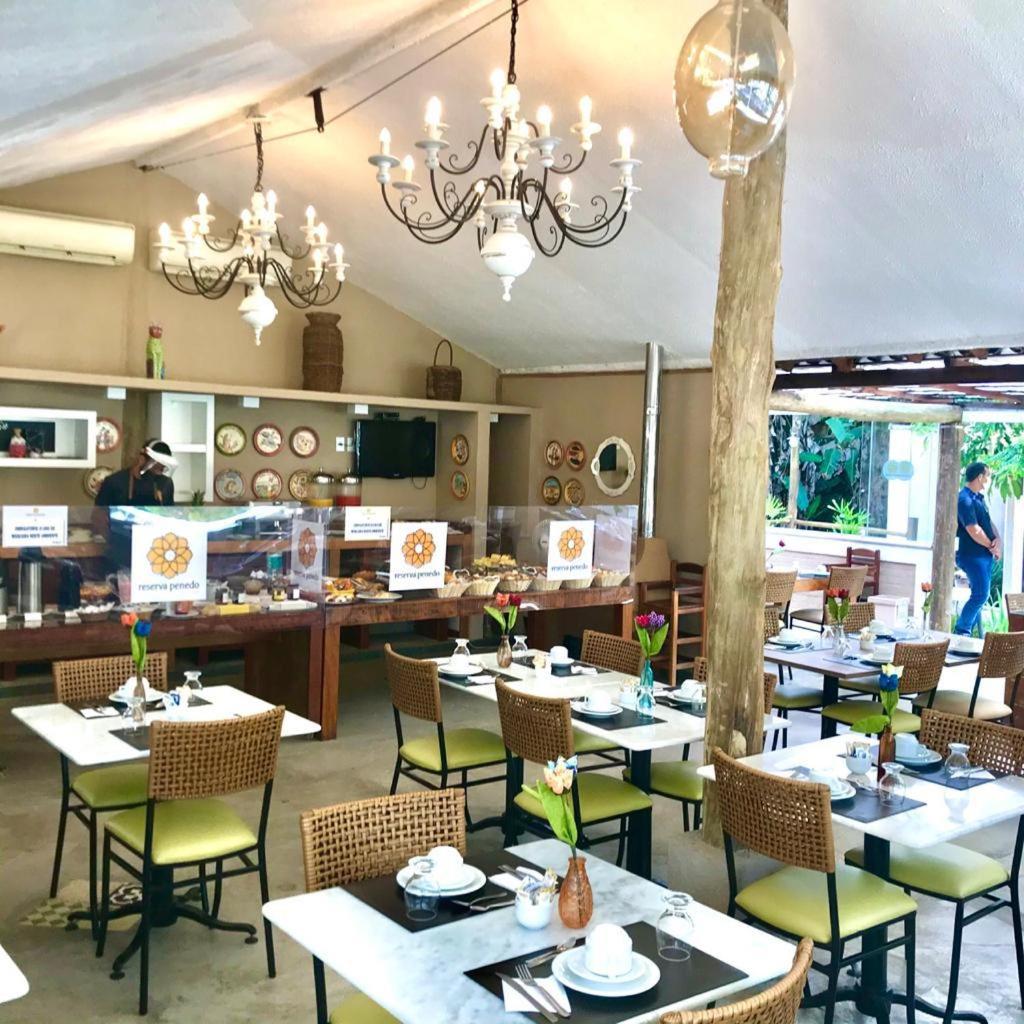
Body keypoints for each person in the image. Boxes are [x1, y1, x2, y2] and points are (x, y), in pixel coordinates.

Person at [93, 439, 176, 570]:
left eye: (164, 463)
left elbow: (170, 516)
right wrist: (113, 539)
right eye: (157, 462)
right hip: (121, 550)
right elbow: (98, 516)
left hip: (156, 550)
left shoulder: (166, 484)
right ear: (142, 458)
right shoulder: (115, 482)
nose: (161, 467)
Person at [955, 461, 1000, 636]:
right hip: (972, 556)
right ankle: (961, 632)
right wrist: (991, 546)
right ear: (980, 477)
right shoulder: (964, 499)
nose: (988, 480)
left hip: (984, 556)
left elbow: (988, 523)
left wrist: (997, 540)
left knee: (979, 596)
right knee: (981, 595)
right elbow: (974, 530)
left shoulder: (978, 498)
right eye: (987, 476)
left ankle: (972, 636)